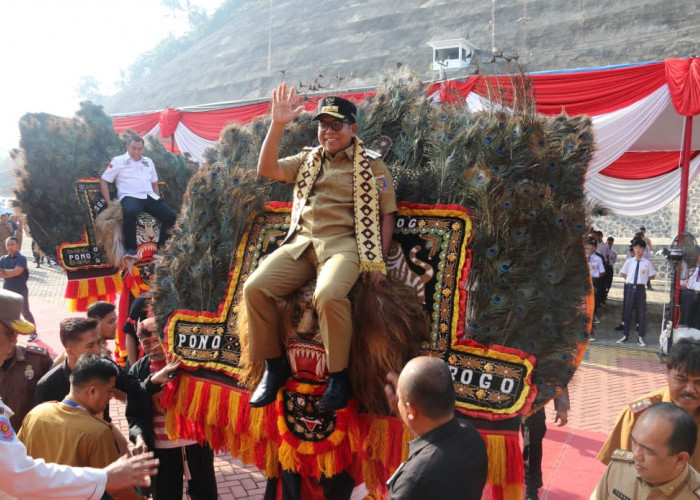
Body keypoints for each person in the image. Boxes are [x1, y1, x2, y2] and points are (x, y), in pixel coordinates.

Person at [244, 84, 397, 411]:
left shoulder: (372, 165)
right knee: (254, 288)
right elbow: (266, 170)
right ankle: (274, 367)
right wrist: (278, 124)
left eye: (336, 125)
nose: (328, 132)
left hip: (344, 247)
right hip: (301, 244)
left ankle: (339, 377)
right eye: (322, 125)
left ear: (352, 129)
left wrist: (377, 262)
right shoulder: (307, 159)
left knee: (328, 295)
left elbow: (387, 213)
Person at [0, 289, 159, 499]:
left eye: (98, 344)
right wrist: (102, 478)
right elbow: (21, 472)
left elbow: (134, 389)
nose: (15, 339)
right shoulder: (50, 389)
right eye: (9, 331)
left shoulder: (103, 370)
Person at [19, 354, 142, 499]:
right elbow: (117, 488)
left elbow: (17, 460)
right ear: (92, 391)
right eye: (109, 391)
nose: (111, 397)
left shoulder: (36, 413)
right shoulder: (98, 432)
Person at [126, 318, 218, 499]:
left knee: (205, 493)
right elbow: (134, 414)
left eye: (157, 340)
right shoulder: (138, 371)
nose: (153, 347)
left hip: (196, 444)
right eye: (146, 342)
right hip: (161, 448)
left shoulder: (188, 364)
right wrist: (139, 438)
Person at [383, 356, 488, 499]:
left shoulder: (413, 479)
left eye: (399, 399)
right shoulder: (471, 436)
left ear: (411, 410)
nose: (397, 402)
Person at [597, 338, 700, 470]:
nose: (690, 389)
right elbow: (619, 470)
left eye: (698, 382)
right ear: (667, 372)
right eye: (682, 379)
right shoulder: (639, 415)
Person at [591, 402, 700, 499]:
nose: (636, 455)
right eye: (634, 442)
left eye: (648, 451)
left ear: (680, 459)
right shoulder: (619, 467)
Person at [100, 136, 176, 259]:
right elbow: (104, 180)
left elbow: (154, 183)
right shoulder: (118, 161)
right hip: (130, 196)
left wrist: (157, 199)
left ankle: (161, 248)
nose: (136, 151)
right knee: (130, 212)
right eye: (133, 148)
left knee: (171, 216)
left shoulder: (148, 161)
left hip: (149, 196)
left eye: (139, 149)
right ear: (127, 147)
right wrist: (108, 202)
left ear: (143, 149)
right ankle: (130, 249)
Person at [0, 304, 52, 429]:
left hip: (29, 440)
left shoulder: (38, 360)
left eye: (15, 332)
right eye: (8, 333)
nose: (14, 339)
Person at [522, 388, 570, 500]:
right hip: (505, 397)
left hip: (533, 398)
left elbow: (558, 374)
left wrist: (562, 406)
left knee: (532, 442)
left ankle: (531, 489)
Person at [616, 239, 654, 346]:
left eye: (641, 248)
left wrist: (642, 279)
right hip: (629, 288)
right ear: (633, 249)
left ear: (644, 250)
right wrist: (631, 279)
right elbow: (623, 273)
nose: (638, 250)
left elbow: (652, 275)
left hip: (641, 289)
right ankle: (625, 335)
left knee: (641, 313)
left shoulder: (647, 263)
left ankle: (641, 337)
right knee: (627, 311)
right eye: (636, 248)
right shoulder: (629, 261)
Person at [0, 235, 37, 341]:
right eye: (8, 245)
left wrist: (4, 272)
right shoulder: (2, 259)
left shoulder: (22, 258)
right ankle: (9, 332)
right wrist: (9, 272)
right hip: (7, 290)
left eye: (12, 244)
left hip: (20, 290)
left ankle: (33, 332)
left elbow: (17, 272)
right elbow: (11, 272)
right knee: (7, 313)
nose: (10, 247)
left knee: (25, 312)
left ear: (17, 245)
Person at [586, 238, 606, 329]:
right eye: (589, 245)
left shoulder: (598, 258)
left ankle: (593, 316)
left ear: (595, 248)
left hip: (594, 281)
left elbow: (602, 271)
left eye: (593, 246)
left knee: (593, 300)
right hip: (584, 281)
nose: (591, 247)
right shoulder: (583, 257)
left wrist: (595, 276)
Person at [680, 249, 700, 329]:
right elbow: (682, 280)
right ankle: (685, 336)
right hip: (690, 293)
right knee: (687, 316)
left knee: (697, 318)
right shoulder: (690, 269)